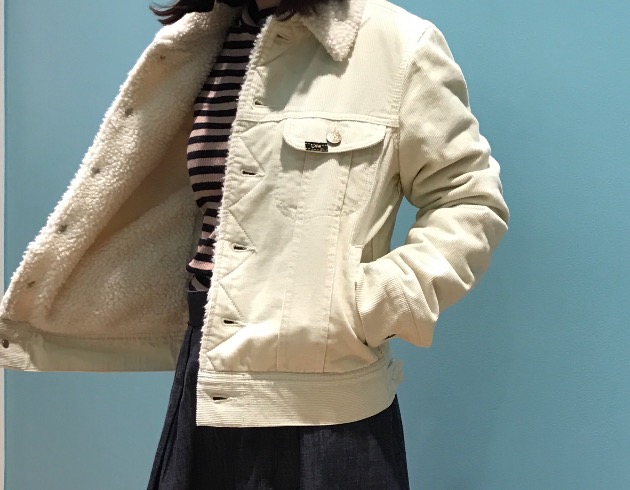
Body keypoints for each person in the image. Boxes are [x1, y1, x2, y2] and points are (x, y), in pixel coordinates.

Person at [0, 0, 509, 487]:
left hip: (325, 395)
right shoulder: (202, 41)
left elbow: (470, 199)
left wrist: (369, 303)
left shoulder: (396, 44)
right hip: (207, 368)